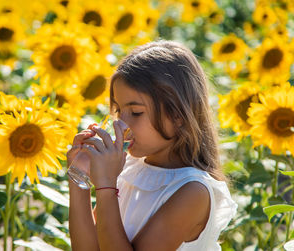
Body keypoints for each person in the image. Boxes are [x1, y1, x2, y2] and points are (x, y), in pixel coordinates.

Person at [67, 40, 238, 251]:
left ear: (177, 115)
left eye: (136, 112)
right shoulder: (128, 168)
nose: (121, 123)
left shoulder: (193, 192)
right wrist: (79, 177)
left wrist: (105, 187)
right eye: (119, 110)